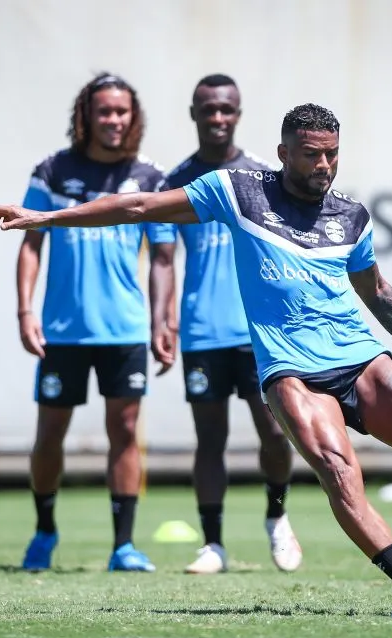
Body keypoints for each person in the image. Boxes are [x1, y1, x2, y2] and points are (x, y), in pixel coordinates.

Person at [0, 103, 392, 617]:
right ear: (283, 152)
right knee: (340, 474)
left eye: (332, 155)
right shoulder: (236, 190)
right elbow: (140, 207)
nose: (323, 166)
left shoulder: (351, 215)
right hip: (292, 371)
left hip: (359, 359)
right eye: (311, 155)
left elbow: (375, 290)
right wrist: (47, 218)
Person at [15, 72, 176, 573]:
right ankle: (44, 531)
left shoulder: (150, 178)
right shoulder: (53, 171)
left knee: (124, 430)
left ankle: (123, 546)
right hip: (62, 329)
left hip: (124, 329)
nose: (113, 120)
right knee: (50, 434)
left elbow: (164, 257)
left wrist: (161, 321)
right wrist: (25, 310)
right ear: (85, 116)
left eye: (121, 111)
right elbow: (31, 242)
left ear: (134, 118)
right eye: (103, 111)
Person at [151, 74, 301, 575]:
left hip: (261, 334)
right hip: (202, 331)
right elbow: (164, 258)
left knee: (277, 435)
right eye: (208, 109)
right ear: (193, 114)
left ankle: (277, 517)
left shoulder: (262, 178)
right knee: (209, 440)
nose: (218, 118)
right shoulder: (173, 183)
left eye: (226, 110)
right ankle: (212, 544)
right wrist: (162, 320)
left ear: (238, 114)